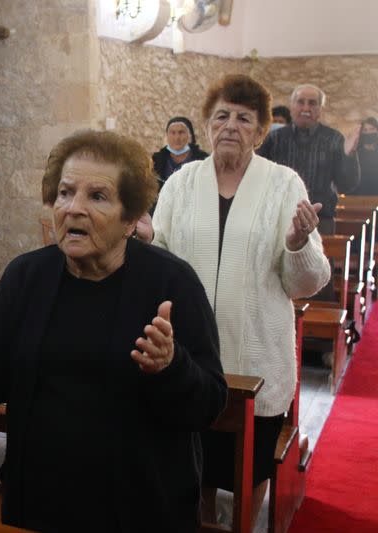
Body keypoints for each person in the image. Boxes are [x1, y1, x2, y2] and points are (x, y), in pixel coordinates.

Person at [0, 130, 227, 532]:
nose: (73, 208)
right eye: (65, 193)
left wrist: (171, 366)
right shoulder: (26, 276)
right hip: (41, 501)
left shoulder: (172, 282)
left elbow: (209, 403)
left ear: (130, 218)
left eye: (97, 196)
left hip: (142, 506)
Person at [152, 74, 331, 530]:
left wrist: (297, 242)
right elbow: (162, 257)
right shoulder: (181, 183)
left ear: (260, 130)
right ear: (207, 125)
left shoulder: (283, 184)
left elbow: (307, 282)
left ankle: (244, 526)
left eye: (243, 117)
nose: (230, 125)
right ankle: (202, 519)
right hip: (191, 353)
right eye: (221, 116)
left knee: (248, 464)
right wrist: (143, 238)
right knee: (196, 457)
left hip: (256, 352)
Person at [258, 83, 360, 234]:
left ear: (320, 109)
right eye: (300, 102)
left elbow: (346, 185)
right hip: (280, 220)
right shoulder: (275, 139)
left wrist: (349, 155)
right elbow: (259, 177)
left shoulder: (334, 139)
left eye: (312, 103)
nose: (306, 108)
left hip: (321, 221)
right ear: (292, 107)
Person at [152, 116, 209, 188]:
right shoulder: (156, 161)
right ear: (167, 136)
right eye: (173, 133)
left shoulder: (203, 160)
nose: (177, 138)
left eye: (181, 132)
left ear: (189, 135)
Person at [349, 117, 378, 196]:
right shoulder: (355, 152)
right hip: (358, 196)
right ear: (361, 132)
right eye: (365, 130)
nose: (368, 132)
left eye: (372, 129)